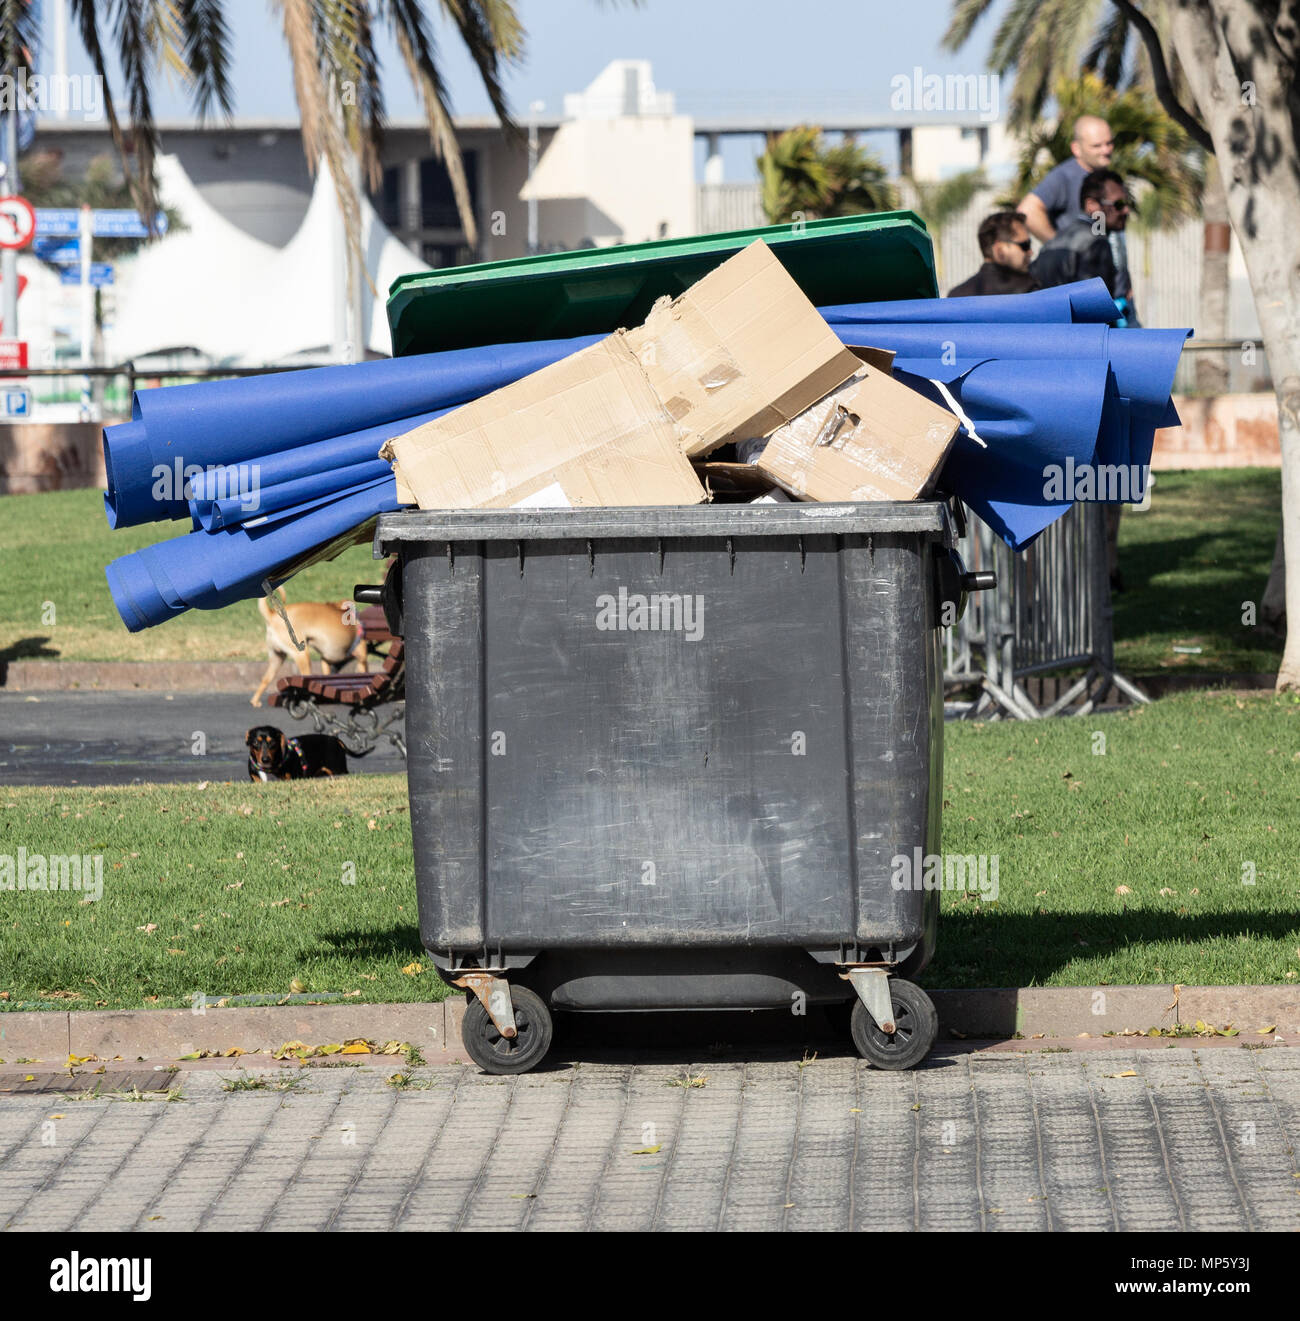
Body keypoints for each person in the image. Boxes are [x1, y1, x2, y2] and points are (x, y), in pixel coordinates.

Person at [1029, 169, 1129, 300]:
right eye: (1119, 204)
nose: (1126, 210)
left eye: (1127, 203)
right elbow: (1097, 308)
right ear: (1091, 205)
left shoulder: (1052, 243)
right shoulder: (1096, 243)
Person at [1018, 115, 1115, 241]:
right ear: (1076, 148)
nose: (1106, 150)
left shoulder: (1106, 177)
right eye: (1096, 146)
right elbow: (1027, 210)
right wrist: (1059, 247)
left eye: (1109, 143)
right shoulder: (1064, 176)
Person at [948, 211, 1041, 297]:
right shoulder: (1029, 290)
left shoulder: (956, 295)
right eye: (1025, 245)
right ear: (1000, 251)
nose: (1030, 252)